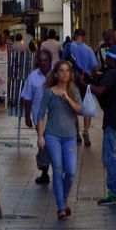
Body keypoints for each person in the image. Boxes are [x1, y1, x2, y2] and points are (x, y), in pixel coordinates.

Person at [36, 60, 82, 220]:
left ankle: (63, 199)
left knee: (70, 172)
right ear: (56, 74)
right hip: (52, 135)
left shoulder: (73, 90)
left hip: (70, 136)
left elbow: (80, 109)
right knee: (57, 169)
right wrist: (40, 135)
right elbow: (40, 114)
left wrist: (68, 98)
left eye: (67, 71)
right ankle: (61, 207)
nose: (64, 74)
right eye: (61, 71)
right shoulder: (49, 92)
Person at [90, 45, 116, 205]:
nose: (106, 60)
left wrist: (86, 86)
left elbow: (100, 91)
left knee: (110, 157)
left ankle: (114, 192)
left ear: (113, 60)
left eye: (108, 58)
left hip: (113, 122)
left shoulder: (112, 73)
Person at [20, 46, 53, 185]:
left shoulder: (57, 74)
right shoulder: (33, 76)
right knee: (43, 144)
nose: (43, 63)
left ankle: (58, 170)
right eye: (41, 60)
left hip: (56, 116)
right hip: (40, 118)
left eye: (46, 60)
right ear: (37, 62)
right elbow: (27, 98)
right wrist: (27, 116)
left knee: (55, 143)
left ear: (50, 61)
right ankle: (45, 172)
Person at [67, 28, 98, 147]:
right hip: (86, 81)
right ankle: (86, 130)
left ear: (75, 36)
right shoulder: (89, 49)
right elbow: (94, 66)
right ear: (83, 37)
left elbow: (65, 61)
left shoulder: (70, 47)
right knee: (87, 104)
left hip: (73, 81)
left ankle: (77, 134)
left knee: (74, 106)